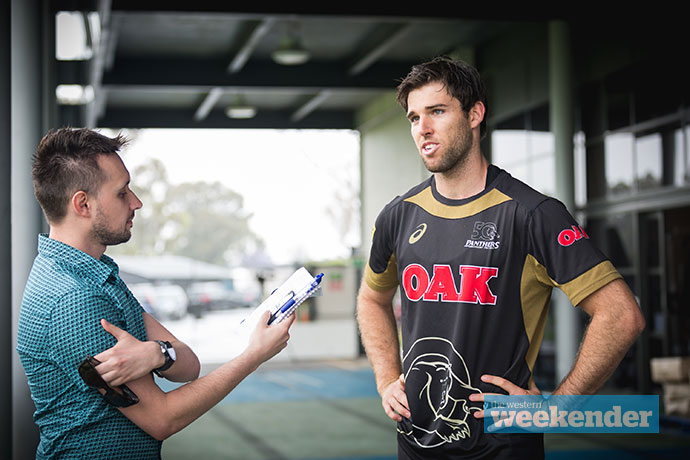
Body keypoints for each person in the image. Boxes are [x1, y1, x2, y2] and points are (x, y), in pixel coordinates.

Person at [356, 56, 645, 459]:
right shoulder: (399, 215)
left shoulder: (531, 214)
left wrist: (556, 412)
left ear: (475, 114)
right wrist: (387, 378)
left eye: (437, 112)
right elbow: (371, 298)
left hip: (502, 447)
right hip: (415, 446)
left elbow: (621, 314)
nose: (422, 128)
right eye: (413, 117)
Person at [16, 128, 294, 460]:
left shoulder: (95, 274)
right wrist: (253, 356)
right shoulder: (74, 299)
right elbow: (162, 418)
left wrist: (157, 354)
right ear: (83, 204)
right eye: (122, 193)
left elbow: (188, 364)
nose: (136, 202)